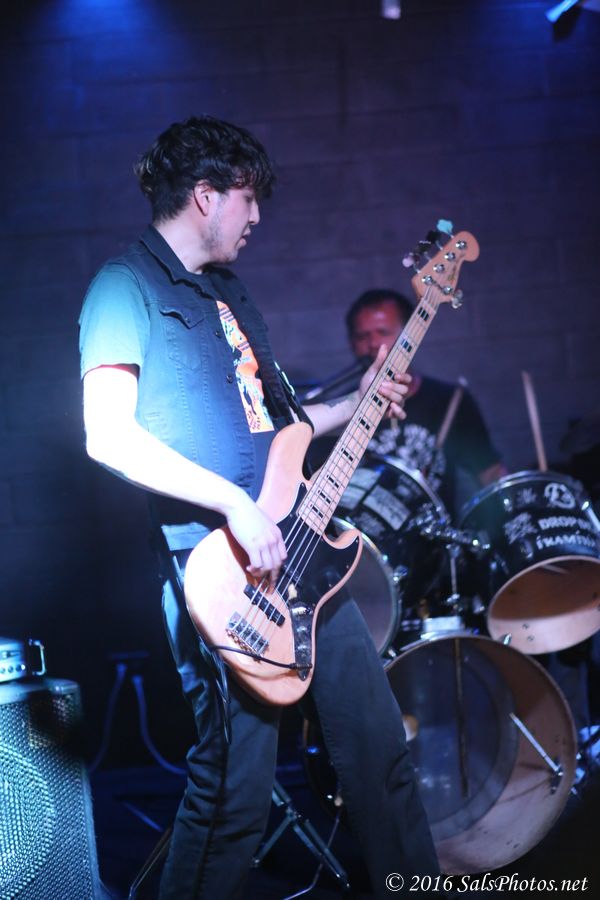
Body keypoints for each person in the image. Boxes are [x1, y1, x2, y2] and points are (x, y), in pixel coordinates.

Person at [79, 116, 440, 899]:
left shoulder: (230, 292)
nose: (257, 217)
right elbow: (107, 437)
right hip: (222, 572)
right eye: (248, 198)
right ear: (206, 196)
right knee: (232, 796)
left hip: (304, 555)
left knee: (379, 755)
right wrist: (234, 507)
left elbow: (280, 430)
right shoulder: (122, 286)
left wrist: (360, 402)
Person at [346, 289, 507, 516]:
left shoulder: (450, 400)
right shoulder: (342, 409)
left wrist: (514, 507)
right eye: (362, 336)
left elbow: (490, 472)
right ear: (351, 343)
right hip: (360, 531)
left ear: (410, 336)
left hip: (434, 531)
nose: (372, 344)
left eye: (383, 332)